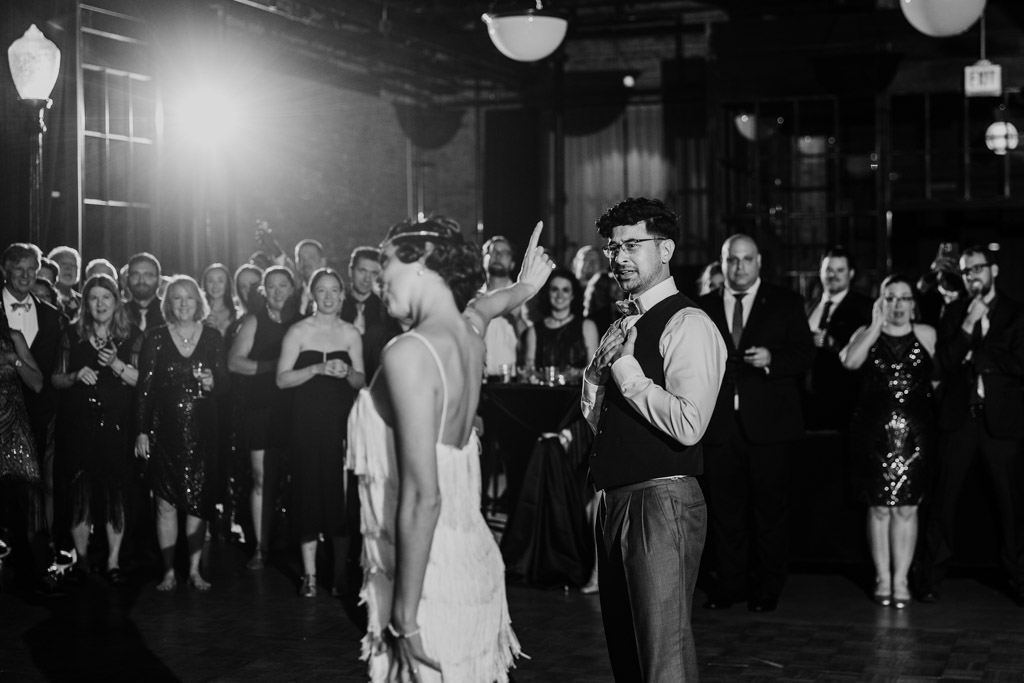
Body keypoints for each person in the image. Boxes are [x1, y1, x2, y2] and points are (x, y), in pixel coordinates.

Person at [347, 216, 551, 683]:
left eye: (385, 264)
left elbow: (424, 496)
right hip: (472, 563)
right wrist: (523, 287)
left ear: (421, 262)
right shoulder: (468, 332)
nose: (379, 281)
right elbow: (488, 303)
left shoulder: (409, 353)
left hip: (427, 578)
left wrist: (404, 613)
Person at [581, 198, 725, 682]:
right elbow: (599, 417)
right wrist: (597, 375)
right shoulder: (623, 322)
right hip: (617, 501)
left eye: (631, 244)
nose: (619, 256)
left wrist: (625, 369)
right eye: (612, 247)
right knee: (627, 653)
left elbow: (689, 423)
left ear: (665, 249)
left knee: (663, 657)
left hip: (661, 500)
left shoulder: (689, 322)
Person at [697, 234, 815, 614]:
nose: (740, 267)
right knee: (724, 513)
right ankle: (728, 585)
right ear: (723, 261)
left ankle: (766, 588)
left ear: (759, 261)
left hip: (770, 427)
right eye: (733, 260)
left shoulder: (785, 302)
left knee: (769, 513)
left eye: (747, 259)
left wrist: (771, 359)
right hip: (717, 428)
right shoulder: (702, 307)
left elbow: (804, 354)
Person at [922, 245, 1024, 606]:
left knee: (1011, 507)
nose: (973, 276)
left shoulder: (1015, 312)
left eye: (979, 269)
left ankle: (1019, 579)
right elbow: (946, 361)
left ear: (993, 270)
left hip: (1001, 422)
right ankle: (930, 578)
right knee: (943, 500)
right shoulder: (952, 312)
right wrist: (967, 325)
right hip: (959, 420)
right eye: (967, 272)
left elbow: (1020, 363)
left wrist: (978, 356)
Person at [840, 275, 936, 608]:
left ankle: (901, 580)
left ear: (913, 303)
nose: (897, 305)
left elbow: (939, 380)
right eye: (890, 298)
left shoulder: (927, 335)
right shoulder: (867, 334)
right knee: (879, 508)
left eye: (904, 298)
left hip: (915, 435)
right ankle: (882, 578)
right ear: (881, 302)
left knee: (908, 508)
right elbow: (850, 362)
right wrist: (874, 325)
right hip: (873, 434)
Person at [135, 275, 228, 591]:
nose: (184, 303)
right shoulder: (157, 338)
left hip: (203, 431)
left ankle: (194, 570)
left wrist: (214, 384)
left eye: (190, 297)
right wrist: (141, 431)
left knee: (198, 501)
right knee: (165, 504)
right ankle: (168, 572)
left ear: (199, 302)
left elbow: (226, 385)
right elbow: (144, 389)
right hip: (165, 431)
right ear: (168, 303)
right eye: (177, 297)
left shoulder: (213, 336)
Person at [278, 268, 364, 597]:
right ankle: (310, 575)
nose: (328, 297)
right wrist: (314, 368)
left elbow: (362, 382)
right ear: (313, 295)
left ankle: (339, 574)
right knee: (307, 495)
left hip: (340, 423)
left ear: (342, 296)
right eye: (322, 291)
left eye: (334, 291)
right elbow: (281, 379)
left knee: (338, 499)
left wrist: (347, 372)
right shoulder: (298, 331)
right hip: (305, 424)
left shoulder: (350, 333)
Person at [52, 274, 139, 585]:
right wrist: (76, 374)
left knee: (115, 494)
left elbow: (141, 381)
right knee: (80, 494)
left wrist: (115, 364)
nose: (100, 303)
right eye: (94, 297)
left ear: (116, 301)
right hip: (79, 426)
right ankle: (83, 559)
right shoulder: (71, 335)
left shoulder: (131, 336)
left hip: (117, 427)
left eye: (106, 297)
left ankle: (113, 560)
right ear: (85, 302)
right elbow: (56, 379)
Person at [227, 266, 296, 570]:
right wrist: (272, 367)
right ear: (264, 291)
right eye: (272, 286)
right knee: (261, 478)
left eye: (283, 285)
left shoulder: (303, 321)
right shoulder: (255, 320)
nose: (278, 291)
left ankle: (296, 542)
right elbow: (234, 362)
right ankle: (260, 546)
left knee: (296, 476)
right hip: (261, 407)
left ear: (292, 288)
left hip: (295, 406)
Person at [3, 243, 63, 589]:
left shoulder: (52, 316)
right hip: (1, 411)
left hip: (36, 415)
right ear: (5, 271)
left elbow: (50, 372)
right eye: (18, 269)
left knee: (33, 490)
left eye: (31, 270)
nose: (25, 276)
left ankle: (33, 564)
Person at [0, 290, 46, 591]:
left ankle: (28, 573)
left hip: (13, 428)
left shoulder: (13, 337)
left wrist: (14, 360)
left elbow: (39, 383)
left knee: (20, 502)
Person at [805, 246, 872, 432]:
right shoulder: (807, 306)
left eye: (840, 270)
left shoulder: (865, 308)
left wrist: (834, 345)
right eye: (828, 270)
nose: (833, 275)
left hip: (845, 405)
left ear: (851, 273)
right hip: (807, 406)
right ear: (820, 272)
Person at [341, 247, 401, 379]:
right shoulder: (336, 304)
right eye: (362, 271)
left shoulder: (388, 310)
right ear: (350, 271)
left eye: (374, 273)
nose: (367, 279)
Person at [523, 266, 598, 372]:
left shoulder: (587, 326)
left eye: (565, 290)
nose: (560, 295)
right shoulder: (534, 331)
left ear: (573, 295)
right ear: (547, 293)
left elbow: (594, 370)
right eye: (554, 289)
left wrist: (577, 374)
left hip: (578, 388)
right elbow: (529, 371)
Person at [480, 236, 522, 377]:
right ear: (483, 258)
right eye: (493, 252)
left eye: (504, 253)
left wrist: (517, 318)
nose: (498, 256)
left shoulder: (523, 297)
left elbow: (532, 341)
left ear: (512, 264)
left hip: (511, 381)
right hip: (478, 379)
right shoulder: (471, 297)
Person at [124, 253, 164, 336]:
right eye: (135, 274)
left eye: (148, 275)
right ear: (127, 279)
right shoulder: (118, 313)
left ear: (159, 280)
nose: (141, 280)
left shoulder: (170, 312)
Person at [47, 246, 83, 322]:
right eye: (64, 264)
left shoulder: (83, 301)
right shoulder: (46, 298)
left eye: (73, 265)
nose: (68, 268)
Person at [202, 263, 238, 337]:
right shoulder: (197, 313)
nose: (215, 285)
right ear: (205, 284)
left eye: (220, 281)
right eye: (210, 281)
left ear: (227, 284)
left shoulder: (237, 314)